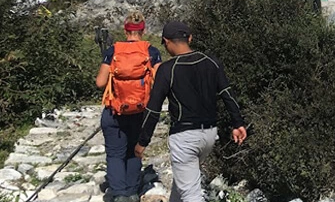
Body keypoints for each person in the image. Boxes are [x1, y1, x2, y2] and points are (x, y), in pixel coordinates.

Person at [135, 21, 247, 202]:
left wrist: (142, 142)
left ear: (166, 41)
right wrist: (238, 123)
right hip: (209, 135)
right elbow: (227, 94)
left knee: (191, 195)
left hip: (184, 137)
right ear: (190, 38)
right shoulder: (211, 62)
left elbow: (153, 109)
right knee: (183, 185)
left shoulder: (167, 70)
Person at [95, 11, 162, 202]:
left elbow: (100, 83)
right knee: (134, 150)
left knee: (115, 154)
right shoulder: (151, 51)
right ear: (143, 30)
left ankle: (118, 193)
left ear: (125, 30)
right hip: (140, 111)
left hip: (115, 110)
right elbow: (160, 81)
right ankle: (132, 192)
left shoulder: (113, 51)